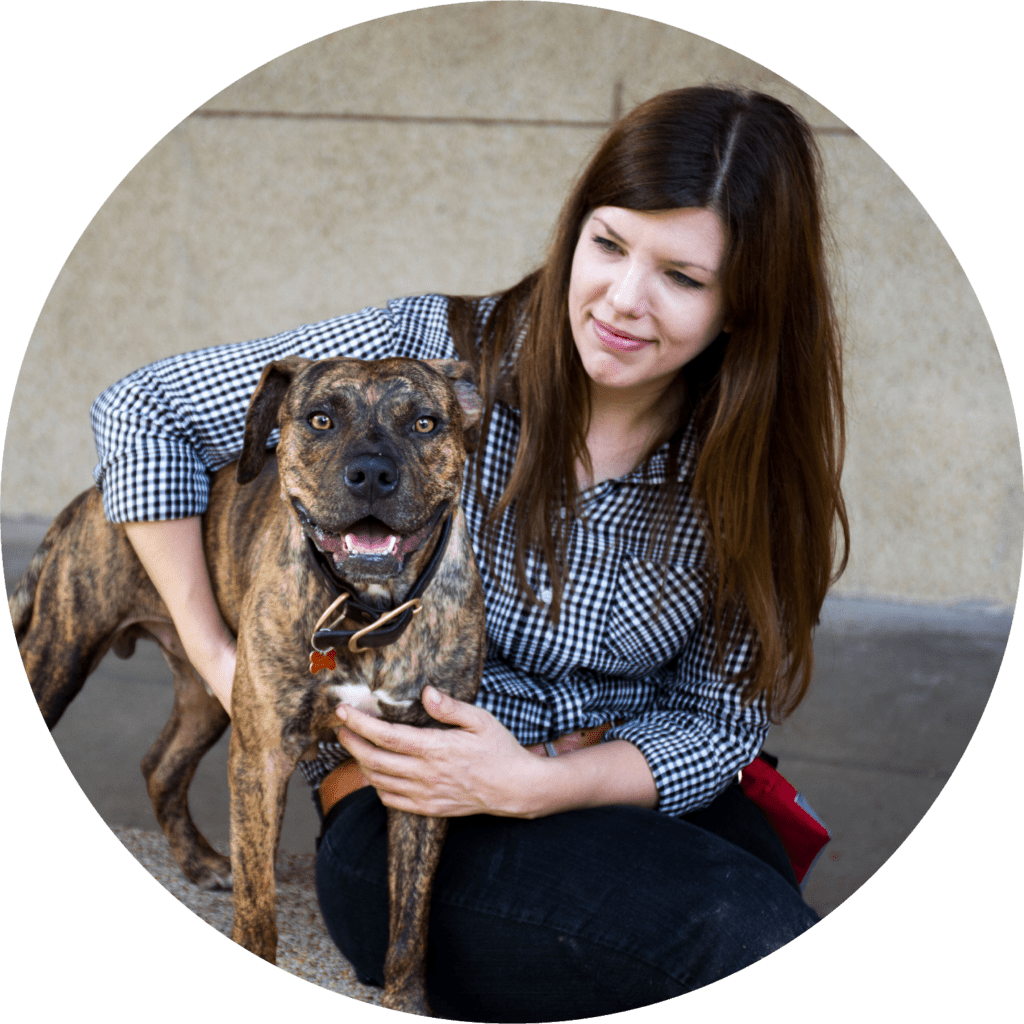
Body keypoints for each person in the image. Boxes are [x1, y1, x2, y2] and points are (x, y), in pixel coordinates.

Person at [91, 86, 848, 1021]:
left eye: (683, 279)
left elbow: (720, 718)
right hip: (408, 811)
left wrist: (541, 785)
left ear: (746, 305)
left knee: (767, 905)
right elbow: (143, 408)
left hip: (600, 777)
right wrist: (221, 661)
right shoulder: (427, 352)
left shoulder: (745, 467)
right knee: (736, 931)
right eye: (607, 244)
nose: (621, 299)